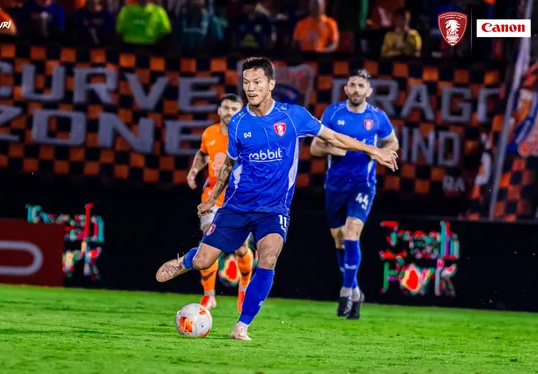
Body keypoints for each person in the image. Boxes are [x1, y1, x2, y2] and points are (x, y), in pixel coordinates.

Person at [156, 57, 398, 341]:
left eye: (257, 82)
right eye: (246, 82)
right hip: (238, 205)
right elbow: (228, 164)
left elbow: (334, 137)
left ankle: (241, 326)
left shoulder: (293, 116)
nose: (250, 88)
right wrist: (212, 198)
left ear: (271, 84)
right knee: (203, 261)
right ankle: (186, 261)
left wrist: (373, 150)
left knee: (268, 257)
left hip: (274, 209)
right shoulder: (238, 122)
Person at [310, 69, 399, 319]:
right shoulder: (333, 113)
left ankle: (346, 291)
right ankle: (356, 291)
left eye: (361, 86)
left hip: (363, 184)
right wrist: (332, 148)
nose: (357, 89)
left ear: (368, 91)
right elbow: (315, 147)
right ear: (346, 89)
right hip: (335, 186)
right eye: (353, 85)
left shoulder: (377, 116)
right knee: (339, 239)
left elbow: (392, 142)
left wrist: (380, 152)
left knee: (351, 232)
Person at [186, 94, 254, 312]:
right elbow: (203, 153)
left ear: (241, 111)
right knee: (208, 242)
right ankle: (209, 296)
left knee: (241, 248)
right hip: (212, 197)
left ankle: (244, 288)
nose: (229, 112)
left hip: (239, 199)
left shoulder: (248, 135)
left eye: (234, 108)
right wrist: (194, 170)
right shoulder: (210, 133)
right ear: (219, 110)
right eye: (226, 108)